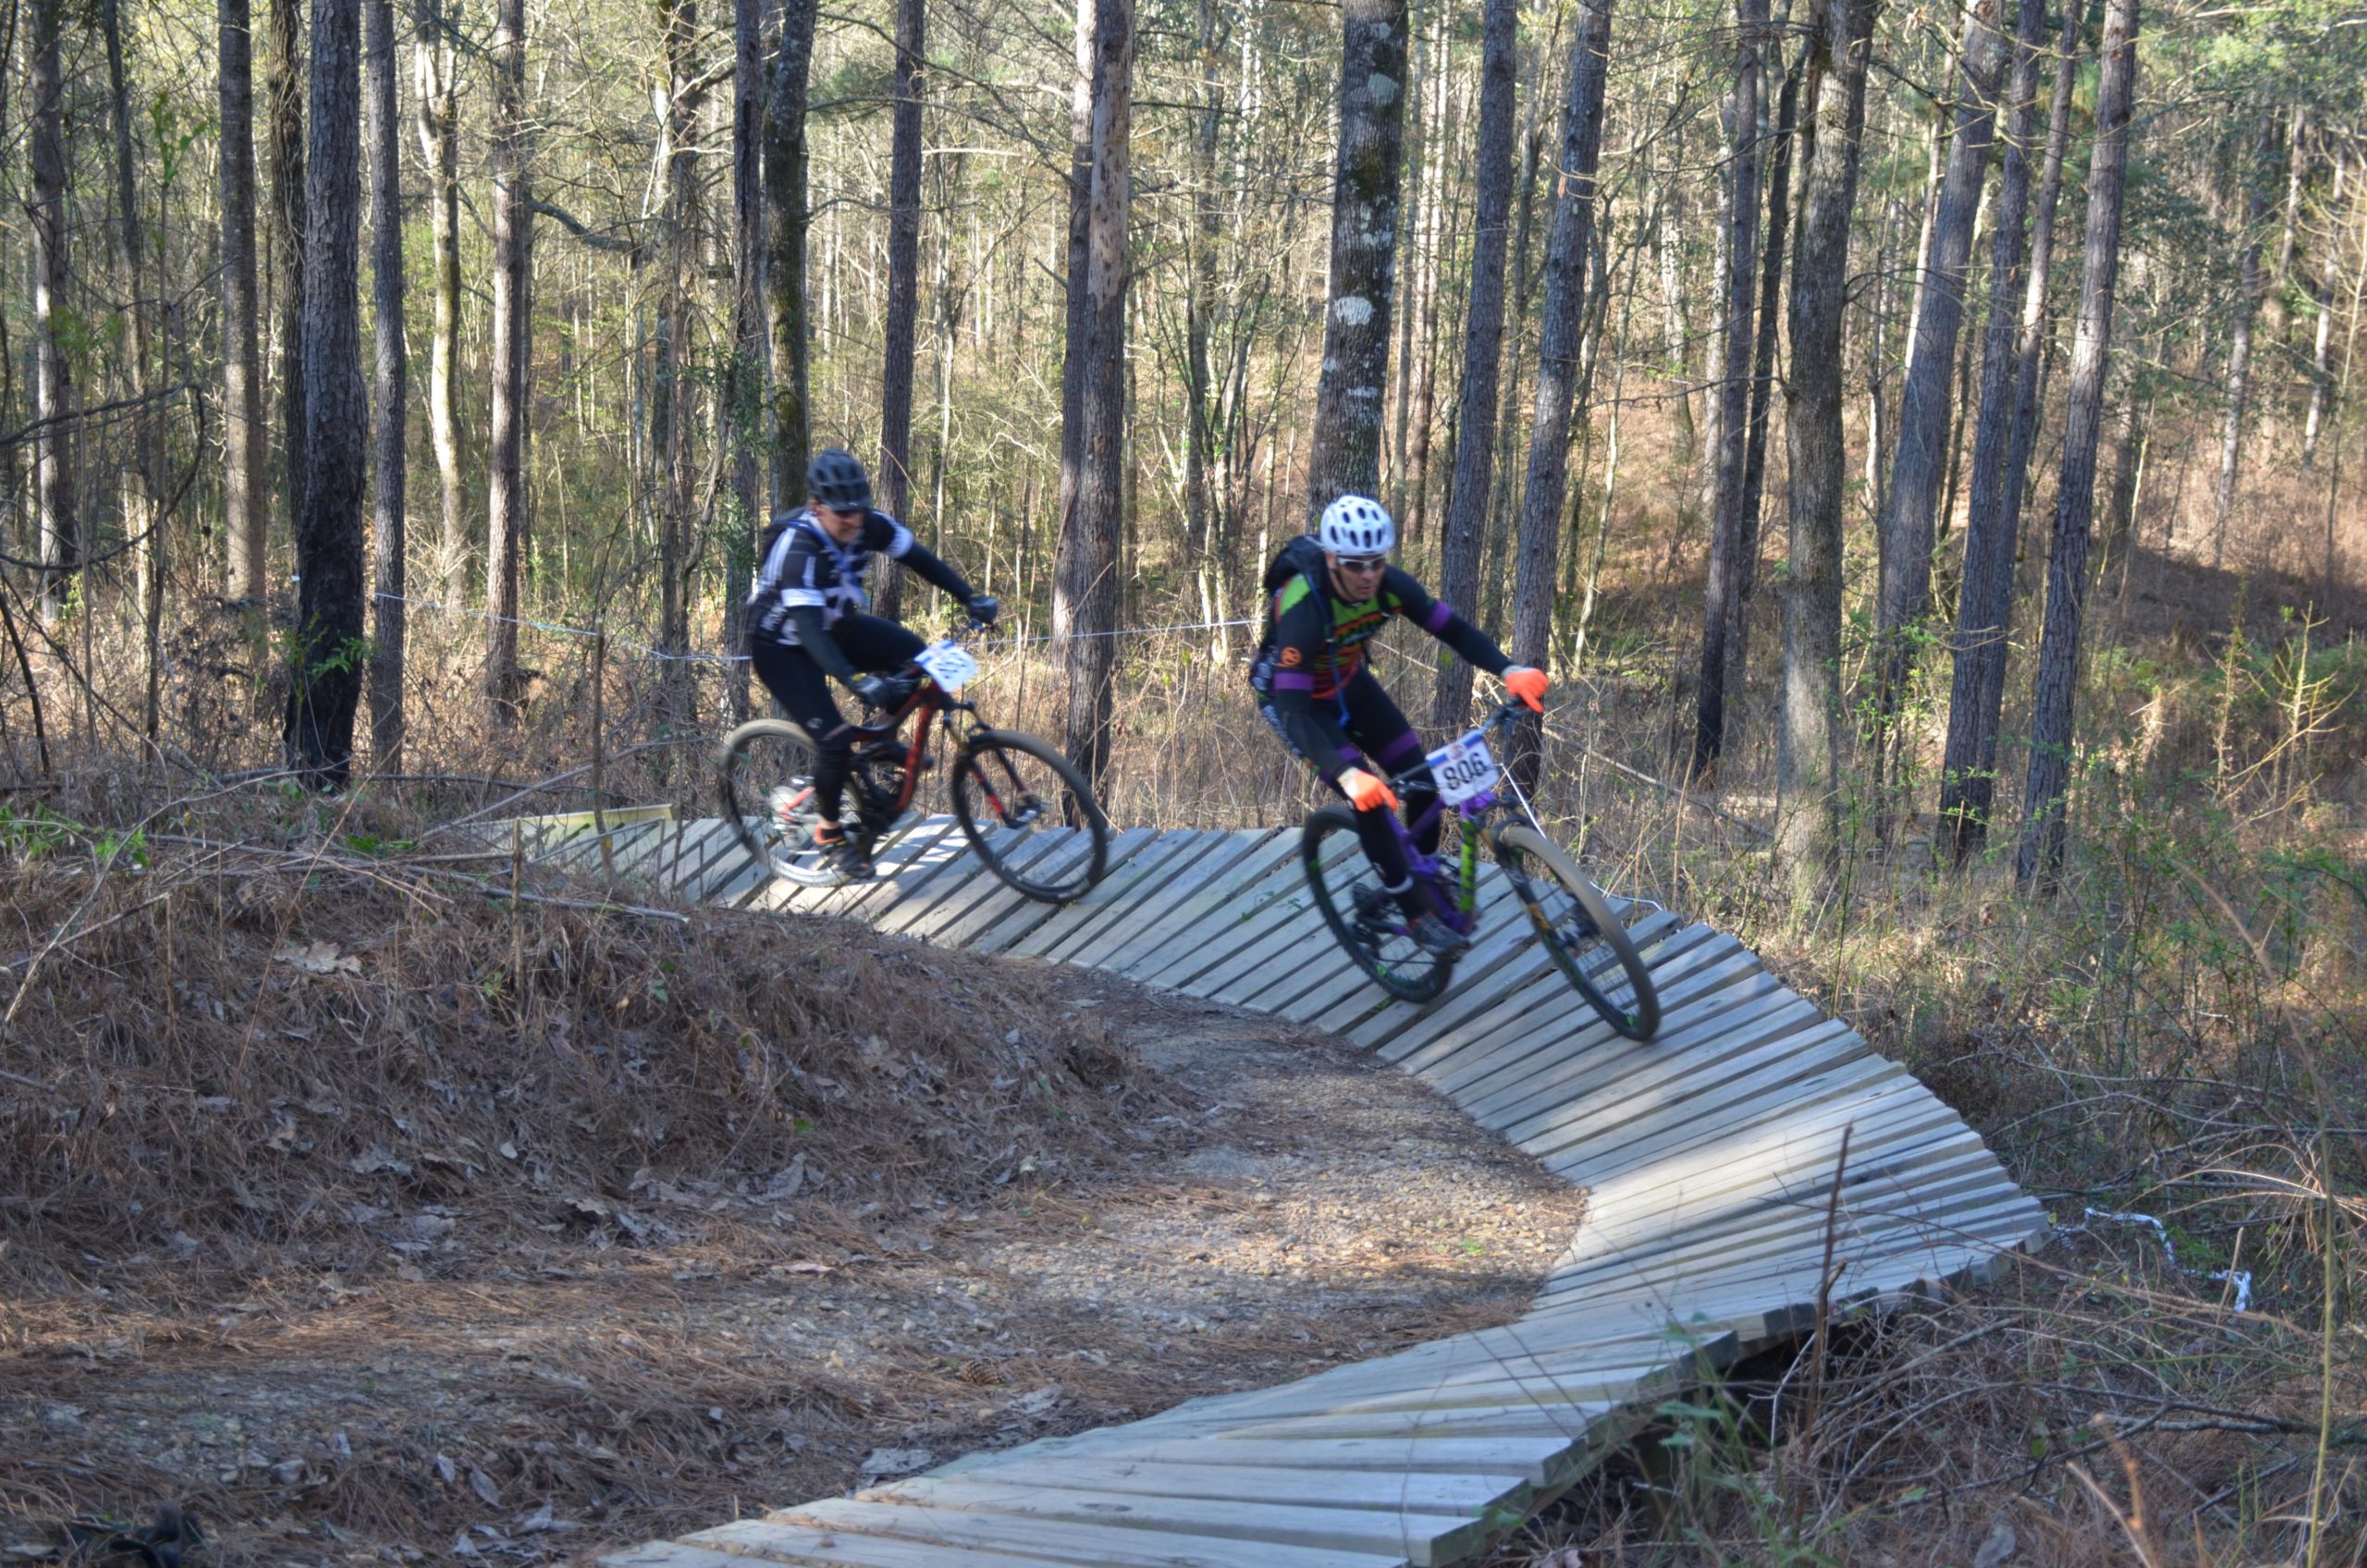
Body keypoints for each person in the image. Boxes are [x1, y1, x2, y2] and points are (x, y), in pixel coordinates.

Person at [1250, 494, 1547, 955]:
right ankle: (1416, 914)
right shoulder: (1304, 607)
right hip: (1297, 703)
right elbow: (1293, 707)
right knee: (1369, 800)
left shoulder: (1391, 585)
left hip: (1347, 682)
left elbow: (1454, 629)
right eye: (1354, 564)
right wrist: (1350, 776)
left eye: (1375, 562)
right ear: (1331, 560)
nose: (1367, 574)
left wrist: (1509, 670)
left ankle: (1420, 872)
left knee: (1422, 780)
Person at [746, 447, 998, 879]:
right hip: (782, 646)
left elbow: (919, 558)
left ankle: (879, 741)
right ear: (816, 507)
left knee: (920, 659)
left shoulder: (868, 524)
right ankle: (829, 832)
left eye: (858, 511)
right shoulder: (798, 550)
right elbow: (807, 630)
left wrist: (968, 595)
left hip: (837, 625)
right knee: (835, 740)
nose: (852, 521)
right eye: (842, 514)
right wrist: (856, 679)